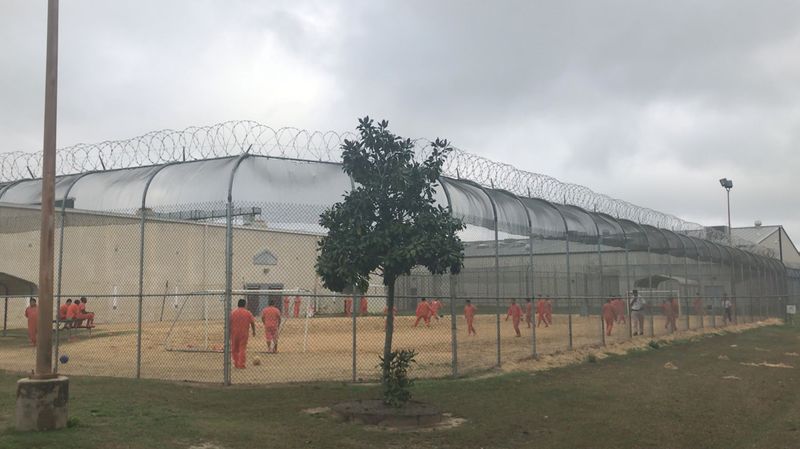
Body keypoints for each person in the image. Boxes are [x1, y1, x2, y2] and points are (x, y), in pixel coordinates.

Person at [229, 299, 256, 369]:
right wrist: (253, 331)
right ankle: (241, 364)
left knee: (234, 349)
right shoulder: (248, 313)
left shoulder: (233, 313)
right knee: (242, 349)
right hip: (244, 333)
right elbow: (252, 323)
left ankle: (236, 363)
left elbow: (229, 323)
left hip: (234, 333)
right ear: (245, 305)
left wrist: (229, 333)